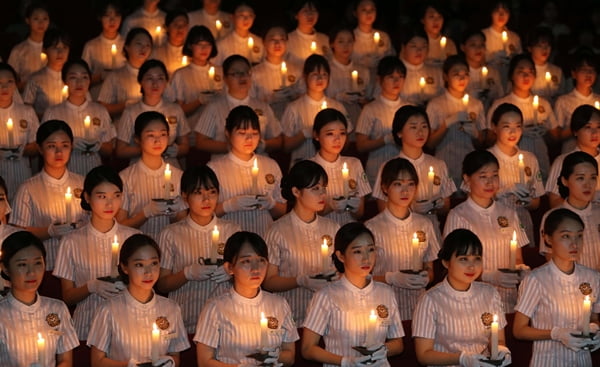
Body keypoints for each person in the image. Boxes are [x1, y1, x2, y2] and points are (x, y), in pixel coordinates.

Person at [53, 165, 140, 341]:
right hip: (87, 326)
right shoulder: (71, 241)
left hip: (127, 328)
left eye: (116, 196)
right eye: (102, 197)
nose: (110, 204)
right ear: (87, 197)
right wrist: (90, 286)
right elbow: (67, 297)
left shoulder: (134, 238)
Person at [302, 222, 404, 367]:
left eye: (370, 250)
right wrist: (344, 361)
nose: (366, 258)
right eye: (357, 252)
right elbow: (308, 348)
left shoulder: (386, 292)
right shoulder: (326, 296)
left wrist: (383, 349)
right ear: (341, 256)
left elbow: (398, 343)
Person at [156, 165, 241, 334]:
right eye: (198, 193)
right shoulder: (170, 234)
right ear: (185, 197)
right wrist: (187, 273)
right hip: (186, 320)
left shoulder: (232, 230)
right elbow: (162, 284)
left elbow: (246, 276)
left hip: (226, 323)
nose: (206, 200)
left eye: (212, 192)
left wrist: (232, 273)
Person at [194, 231, 298, 367]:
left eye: (261, 260)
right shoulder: (215, 308)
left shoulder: (279, 304)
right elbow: (204, 362)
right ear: (229, 267)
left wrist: (277, 355)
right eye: (246, 261)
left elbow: (290, 356)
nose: (256, 269)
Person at [444, 150, 529, 312]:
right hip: (473, 300)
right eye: (483, 177)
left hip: (508, 299)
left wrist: (520, 270)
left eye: (495, 175)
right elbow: (453, 267)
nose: (490, 182)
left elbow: (517, 257)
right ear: (467, 179)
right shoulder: (458, 216)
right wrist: (490, 276)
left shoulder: (508, 213)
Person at [513, 208, 600, 366]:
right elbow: (519, 330)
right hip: (549, 360)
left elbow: (594, 317)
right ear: (548, 239)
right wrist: (556, 333)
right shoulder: (536, 279)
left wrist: (594, 330)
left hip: (582, 361)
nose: (574, 243)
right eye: (566, 236)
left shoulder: (592, 277)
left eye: (579, 236)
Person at [413, 229, 512, 367]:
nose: (471, 266)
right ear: (446, 263)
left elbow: (498, 340)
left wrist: (501, 351)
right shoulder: (430, 300)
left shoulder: (490, 293)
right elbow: (424, 354)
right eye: (463, 259)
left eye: (477, 259)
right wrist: (461, 359)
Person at [87, 234, 190, 366]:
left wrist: (169, 362)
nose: (148, 272)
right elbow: (97, 362)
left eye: (154, 263)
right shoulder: (108, 310)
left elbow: (175, 355)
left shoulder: (171, 308)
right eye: (139, 265)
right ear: (125, 268)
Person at [262, 160, 340, 325]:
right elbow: (268, 281)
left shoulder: (332, 227)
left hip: (328, 317)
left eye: (323, 188)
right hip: (292, 317)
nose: (322, 194)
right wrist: (300, 280)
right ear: (296, 191)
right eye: (315, 189)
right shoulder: (277, 230)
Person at [366, 158, 440, 320]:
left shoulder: (424, 224)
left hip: (418, 308)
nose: (405, 191)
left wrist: (424, 277)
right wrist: (391, 278)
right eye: (398, 184)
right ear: (385, 188)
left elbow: (430, 269)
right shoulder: (371, 228)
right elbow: (361, 278)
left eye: (410, 184)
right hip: (382, 308)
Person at [11, 120, 86, 271]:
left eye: (64, 145)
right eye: (51, 146)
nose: (59, 152)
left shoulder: (83, 182)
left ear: (72, 146)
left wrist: (83, 226)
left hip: (81, 264)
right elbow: (17, 233)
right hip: (47, 266)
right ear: (40, 148)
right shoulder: (28, 188)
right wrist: (49, 231)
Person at [0, 231, 78, 367]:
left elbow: (65, 360)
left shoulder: (57, 308)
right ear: (6, 269)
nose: (32, 272)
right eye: (22, 265)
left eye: (37, 263)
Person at [207, 105, 286, 236]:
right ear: (228, 133)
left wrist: (271, 203)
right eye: (242, 133)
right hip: (228, 238)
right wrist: (229, 205)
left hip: (264, 235)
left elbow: (282, 211)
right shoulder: (215, 168)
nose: (249, 139)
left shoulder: (270, 165)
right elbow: (203, 213)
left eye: (254, 134)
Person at [372, 105, 456, 227]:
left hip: (431, 230)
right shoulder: (388, 167)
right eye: (413, 127)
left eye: (424, 126)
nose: (420, 132)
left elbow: (446, 207)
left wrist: (437, 204)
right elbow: (382, 209)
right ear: (399, 133)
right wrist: (412, 208)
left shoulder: (439, 164)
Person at [486, 53, 559, 181]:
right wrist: (519, 131)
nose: (526, 76)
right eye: (521, 71)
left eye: (530, 71)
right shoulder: (500, 104)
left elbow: (554, 139)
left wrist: (545, 130)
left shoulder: (543, 103)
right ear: (511, 76)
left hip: (540, 160)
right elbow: (488, 139)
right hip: (509, 165)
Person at [195, 55, 283, 159]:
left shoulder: (262, 106)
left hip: (257, 162)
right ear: (225, 78)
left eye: (246, 72)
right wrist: (231, 146)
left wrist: (263, 145)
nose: (242, 77)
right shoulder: (214, 107)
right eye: (236, 73)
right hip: (225, 164)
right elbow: (201, 142)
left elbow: (278, 140)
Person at [118, 111, 187, 239]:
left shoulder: (178, 176)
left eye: (163, 134)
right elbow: (120, 225)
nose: (158, 140)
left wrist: (173, 214)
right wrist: (146, 213)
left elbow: (184, 224)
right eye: (150, 135)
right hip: (137, 247)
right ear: (137, 139)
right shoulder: (125, 178)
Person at [43, 59, 115, 176]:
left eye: (84, 77)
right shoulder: (53, 112)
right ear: (65, 81)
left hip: (94, 173)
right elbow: (43, 148)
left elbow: (109, 149)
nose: (79, 82)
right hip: (65, 174)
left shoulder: (100, 111)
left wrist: (97, 144)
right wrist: (69, 144)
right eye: (73, 77)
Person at [115, 59, 190, 168]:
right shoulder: (131, 112)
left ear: (166, 82)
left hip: (169, 167)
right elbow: (120, 150)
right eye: (150, 78)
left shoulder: (175, 109)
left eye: (160, 78)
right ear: (141, 81)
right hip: (140, 168)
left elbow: (185, 145)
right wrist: (146, 149)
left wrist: (177, 150)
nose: (155, 84)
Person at [425, 55, 485, 188]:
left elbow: (481, 142)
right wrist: (447, 123)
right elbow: (430, 143)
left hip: (470, 166)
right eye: (456, 74)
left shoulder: (476, 104)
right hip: (445, 163)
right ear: (446, 77)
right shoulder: (436, 104)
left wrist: (475, 133)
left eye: (466, 74)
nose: (462, 78)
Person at [488, 103, 543, 243]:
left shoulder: (530, 159)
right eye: (506, 126)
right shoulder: (485, 158)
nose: (513, 133)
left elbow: (537, 201)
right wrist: (501, 192)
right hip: (493, 225)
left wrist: (529, 201)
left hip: (523, 223)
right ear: (494, 127)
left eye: (517, 126)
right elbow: (473, 197)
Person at [281, 54, 350, 166]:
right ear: (305, 77)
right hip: (302, 166)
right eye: (315, 75)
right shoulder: (294, 107)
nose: (320, 79)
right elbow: (286, 146)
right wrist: (304, 134)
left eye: (324, 75)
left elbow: (346, 143)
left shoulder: (337, 107)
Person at [540, 151, 600, 271]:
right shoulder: (553, 217)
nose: (587, 185)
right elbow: (552, 264)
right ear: (565, 181)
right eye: (580, 178)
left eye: (593, 178)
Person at [310, 108, 371, 224]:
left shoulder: (354, 164)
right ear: (316, 135)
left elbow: (360, 214)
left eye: (342, 133)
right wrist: (331, 206)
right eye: (330, 134)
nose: (337, 139)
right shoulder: (309, 167)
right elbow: (306, 213)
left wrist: (355, 207)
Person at [355, 56, 408, 186]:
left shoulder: (408, 108)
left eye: (400, 77)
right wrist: (384, 140)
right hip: (377, 170)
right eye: (391, 77)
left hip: (404, 172)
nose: (396, 81)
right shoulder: (370, 109)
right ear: (380, 80)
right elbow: (360, 145)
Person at [546, 105, 600, 208]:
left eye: (598, 127)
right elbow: (554, 201)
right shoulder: (563, 161)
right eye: (588, 127)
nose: (595, 133)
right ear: (575, 131)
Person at [165, 25, 223, 121]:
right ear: (190, 46)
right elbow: (177, 111)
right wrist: (199, 101)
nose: (204, 48)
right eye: (199, 44)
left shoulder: (221, 72)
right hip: (191, 131)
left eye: (208, 44)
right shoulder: (181, 75)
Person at [0, 62, 39, 200]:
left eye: (9, 81)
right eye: (0, 82)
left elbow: (37, 145)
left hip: (22, 172)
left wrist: (21, 150)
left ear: (16, 84)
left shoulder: (26, 111)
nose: (4, 87)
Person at [97, 27, 153, 118]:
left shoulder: (156, 75)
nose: (143, 48)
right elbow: (102, 108)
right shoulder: (115, 76)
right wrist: (124, 106)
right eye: (139, 44)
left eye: (148, 45)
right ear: (127, 47)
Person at [251, 26, 303, 120]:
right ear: (264, 42)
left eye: (282, 39)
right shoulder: (254, 73)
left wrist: (294, 96)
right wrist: (270, 98)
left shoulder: (297, 70)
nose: (277, 43)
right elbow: (250, 102)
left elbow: (306, 98)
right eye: (272, 39)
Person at [554, 51, 600, 153]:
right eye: (584, 70)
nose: (588, 74)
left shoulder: (598, 100)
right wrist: (580, 125)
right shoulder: (563, 101)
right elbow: (557, 136)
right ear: (574, 74)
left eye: (592, 70)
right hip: (571, 152)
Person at [81, 0, 127, 98]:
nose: (112, 21)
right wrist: (100, 76)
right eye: (107, 16)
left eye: (116, 16)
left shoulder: (127, 45)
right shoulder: (91, 46)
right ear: (100, 17)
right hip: (97, 96)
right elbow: (81, 78)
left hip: (122, 96)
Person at [326, 27, 372, 124]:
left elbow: (370, 99)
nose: (346, 46)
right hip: (333, 119)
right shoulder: (326, 70)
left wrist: (362, 100)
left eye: (350, 41)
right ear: (332, 44)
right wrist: (337, 98)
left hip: (359, 119)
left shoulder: (363, 70)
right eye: (341, 42)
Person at [23, 29, 71, 119]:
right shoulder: (36, 79)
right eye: (54, 48)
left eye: (64, 48)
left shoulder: (74, 77)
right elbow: (26, 110)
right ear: (45, 50)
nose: (60, 53)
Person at [7, 1, 50, 90]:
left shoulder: (53, 49)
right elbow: (9, 78)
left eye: (45, 19)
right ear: (28, 20)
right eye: (36, 19)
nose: (41, 23)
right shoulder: (19, 50)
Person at [398, 27, 443, 106]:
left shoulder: (436, 72)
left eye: (423, 47)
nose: (419, 51)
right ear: (403, 48)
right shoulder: (395, 73)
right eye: (413, 46)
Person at [461, 29, 504, 110]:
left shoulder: (493, 73)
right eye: (473, 45)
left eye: (482, 45)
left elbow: (500, 97)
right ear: (463, 47)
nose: (478, 49)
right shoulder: (460, 73)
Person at [482, 1, 522, 85]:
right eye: (497, 11)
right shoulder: (483, 35)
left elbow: (520, 62)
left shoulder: (514, 37)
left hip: (509, 82)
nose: (501, 14)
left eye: (505, 11)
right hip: (489, 81)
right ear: (491, 13)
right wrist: (492, 58)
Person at [351, 0, 395, 72]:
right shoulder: (350, 37)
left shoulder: (384, 37)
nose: (369, 13)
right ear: (355, 13)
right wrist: (362, 61)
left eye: (372, 9)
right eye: (364, 10)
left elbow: (391, 61)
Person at [527, 27, 566, 102]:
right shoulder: (525, 71)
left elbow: (562, 96)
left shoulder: (557, 71)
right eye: (539, 46)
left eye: (547, 46)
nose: (544, 50)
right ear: (530, 48)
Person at [286, 0, 330, 65]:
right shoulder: (288, 40)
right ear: (296, 15)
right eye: (305, 11)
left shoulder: (325, 39)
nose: (310, 14)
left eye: (313, 10)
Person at [151, 9, 190, 77]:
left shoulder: (193, 53)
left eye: (183, 25)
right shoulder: (157, 53)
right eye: (175, 25)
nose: (180, 29)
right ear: (167, 27)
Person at [420, 2, 457, 67]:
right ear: (423, 20)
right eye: (431, 17)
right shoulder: (415, 43)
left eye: (439, 17)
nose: (436, 21)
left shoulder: (449, 44)